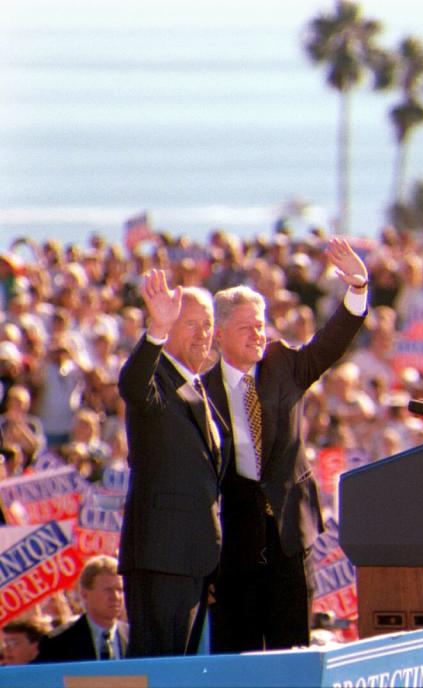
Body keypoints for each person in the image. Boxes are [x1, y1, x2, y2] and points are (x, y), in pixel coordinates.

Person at [204, 236, 368, 652]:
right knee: (238, 658)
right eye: (246, 328)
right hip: (235, 549)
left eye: (261, 325)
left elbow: (329, 345)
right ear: (220, 334)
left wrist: (357, 290)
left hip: (290, 538)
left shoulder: (283, 365)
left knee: (291, 650)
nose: (257, 335)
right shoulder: (200, 393)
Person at [117, 271, 225, 657]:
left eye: (208, 324)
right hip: (161, 557)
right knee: (159, 668)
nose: (202, 334)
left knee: (182, 673)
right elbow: (132, 384)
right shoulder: (157, 377)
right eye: (191, 324)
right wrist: (157, 330)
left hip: (193, 558)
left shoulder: (197, 386)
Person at [35, 555, 128, 662]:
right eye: (108, 590)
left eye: (120, 590)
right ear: (85, 594)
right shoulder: (58, 643)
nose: (116, 597)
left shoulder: (136, 639)